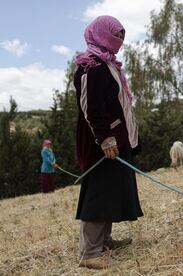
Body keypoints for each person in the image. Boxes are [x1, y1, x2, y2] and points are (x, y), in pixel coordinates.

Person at [73, 15, 143, 269]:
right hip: (100, 143)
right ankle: (89, 252)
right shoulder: (91, 66)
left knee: (111, 188)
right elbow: (91, 107)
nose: (120, 41)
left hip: (116, 140)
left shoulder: (109, 64)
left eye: (122, 36)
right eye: (116, 35)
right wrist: (105, 139)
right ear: (100, 34)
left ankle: (104, 240)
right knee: (99, 192)